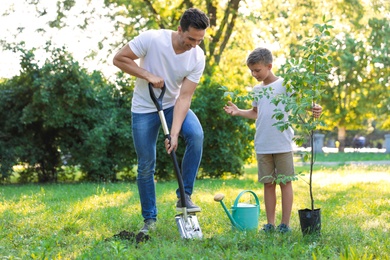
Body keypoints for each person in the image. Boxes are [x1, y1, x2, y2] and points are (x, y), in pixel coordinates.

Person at [113, 8, 210, 234]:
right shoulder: (152, 39)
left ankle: (184, 195)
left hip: (172, 105)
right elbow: (119, 58)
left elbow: (185, 96)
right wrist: (147, 75)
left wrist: (174, 133)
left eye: (200, 40)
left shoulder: (197, 56)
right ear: (179, 30)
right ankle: (150, 219)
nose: (194, 44)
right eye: (190, 38)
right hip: (144, 109)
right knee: (146, 164)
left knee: (195, 135)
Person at [223, 47, 322, 233]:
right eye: (251, 70)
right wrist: (238, 112)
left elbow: (299, 103)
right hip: (262, 144)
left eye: (257, 70)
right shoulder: (256, 90)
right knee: (268, 183)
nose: (254, 74)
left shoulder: (285, 85)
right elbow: (255, 113)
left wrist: (314, 107)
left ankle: (285, 224)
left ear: (269, 66)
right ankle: (270, 223)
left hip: (282, 143)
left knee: (285, 182)